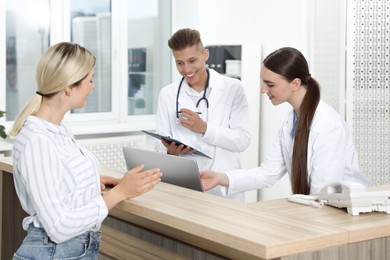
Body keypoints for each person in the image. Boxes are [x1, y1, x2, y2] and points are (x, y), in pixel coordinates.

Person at [9, 42, 162, 259]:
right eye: (89, 80)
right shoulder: (38, 141)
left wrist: (90, 180)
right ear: (69, 87)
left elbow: (55, 178)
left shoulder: (58, 129)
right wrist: (120, 193)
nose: (93, 86)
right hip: (55, 252)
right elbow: (59, 227)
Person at [200, 47, 370, 197]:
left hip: (344, 213)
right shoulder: (290, 120)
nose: (263, 89)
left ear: (295, 84)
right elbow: (268, 173)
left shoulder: (328, 125)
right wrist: (221, 178)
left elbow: (323, 192)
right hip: (317, 211)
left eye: (270, 84)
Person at [155, 28, 251, 201]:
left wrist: (205, 129)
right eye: (180, 63)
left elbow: (242, 140)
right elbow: (158, 144)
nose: (187, 69)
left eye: (192, 60)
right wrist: (170, 151)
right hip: (184, 187)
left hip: (223, 189)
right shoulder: (168, 94)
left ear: (205, 54)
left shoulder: (233, 88)